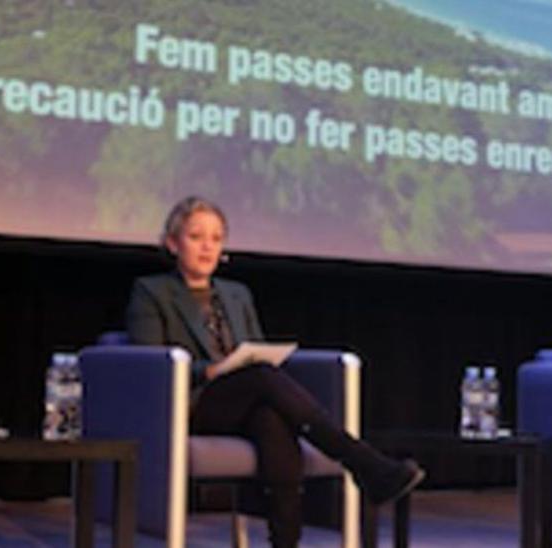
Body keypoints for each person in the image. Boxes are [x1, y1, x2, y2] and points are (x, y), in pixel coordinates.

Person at [126, 196, 424, 548]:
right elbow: (151, 364)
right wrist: (210, 370)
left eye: (216, 238)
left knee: (272, 418)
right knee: (263, 379)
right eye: (196, 237)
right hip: (189, 404)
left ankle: (286, 542)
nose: (207, 247)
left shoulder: (236, 294)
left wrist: (250, 363)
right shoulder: (151, 292)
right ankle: (363, 462)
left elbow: (254, 349)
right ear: (173, 243)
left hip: (243, 398)